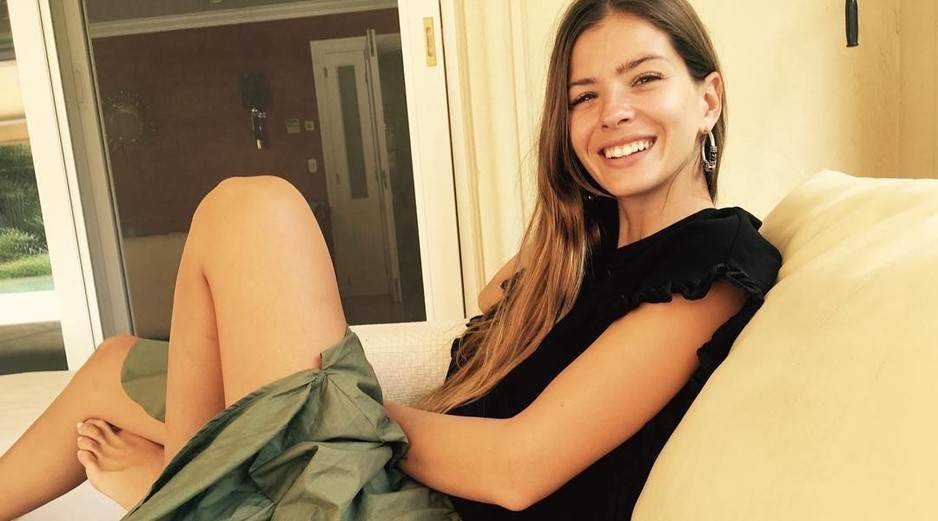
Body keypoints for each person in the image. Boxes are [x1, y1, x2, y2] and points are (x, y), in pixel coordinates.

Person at [0, 0, 782, 519]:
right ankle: (202, 484)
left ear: (707, 98)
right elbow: (498, 300)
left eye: (645, 78)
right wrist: (564, 237)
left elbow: (516, 470)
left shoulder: (714, 259)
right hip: (393, 477)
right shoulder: (586, 249)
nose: (613, 111)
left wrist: (336, 407)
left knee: (254, 211)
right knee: (115, 366)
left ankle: (193, 489)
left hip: (424, 509)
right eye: (583, 96)